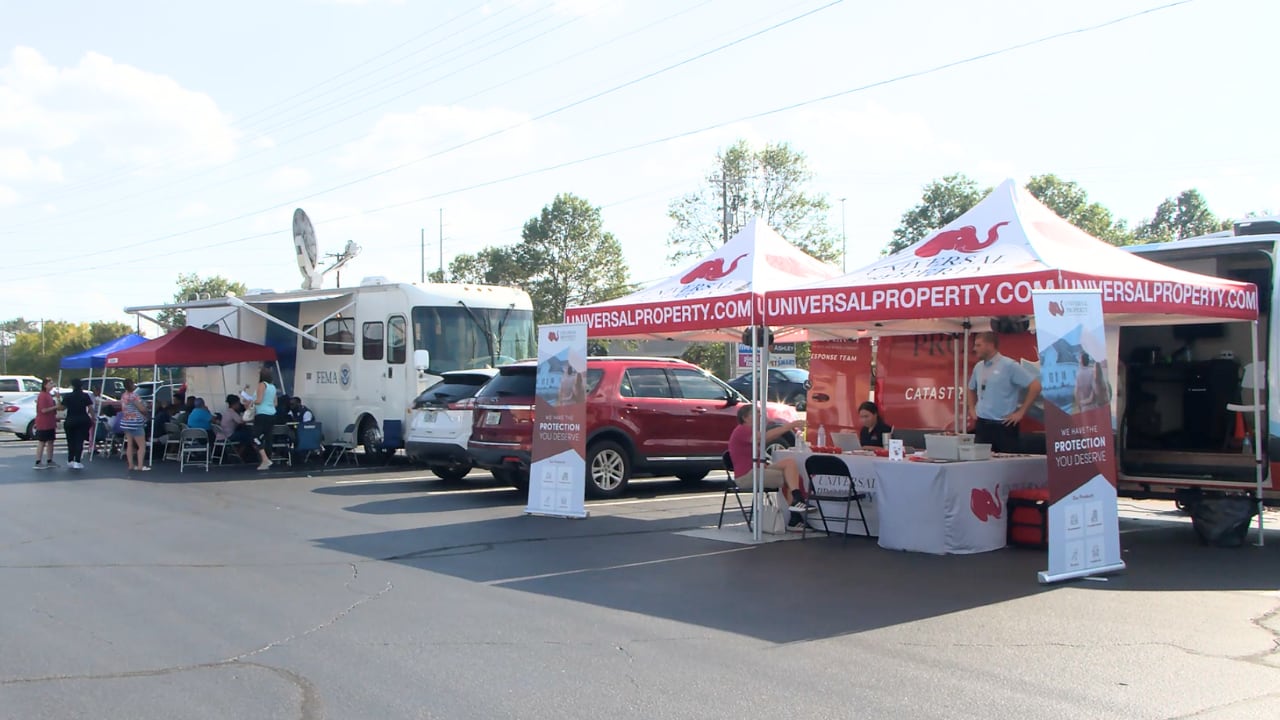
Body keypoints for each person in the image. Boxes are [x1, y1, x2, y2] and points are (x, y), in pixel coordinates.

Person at [967, 332, 1042, 453]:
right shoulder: (978, 367)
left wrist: (1021, 412)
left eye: (978, 345)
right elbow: (970, 388)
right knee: (981, 464)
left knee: (1006, 465)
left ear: (990, 345)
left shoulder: (1009, 366)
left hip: (1004, 426)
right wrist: (971, 408)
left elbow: (1035, 386)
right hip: (982, 425)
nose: (974, 349)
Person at [727, 404, 807, 516]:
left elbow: (767, 438)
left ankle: (797, 500)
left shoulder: (750, 430)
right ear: (745, 417)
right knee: (790, 478)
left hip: (757, 469)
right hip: (747, 475)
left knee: (790, 466)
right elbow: (764, 437)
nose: (760, 415)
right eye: (757, 412)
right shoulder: (742, 430)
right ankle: (796, 513)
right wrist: (789, 426)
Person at [60, 379, 95, 469]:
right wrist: (93, 417)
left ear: (72, 386)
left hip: (70, 419)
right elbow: (90, 408)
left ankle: (70, 459)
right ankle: (77, 461)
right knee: (79, 441)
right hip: (82, 419)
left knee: (70, 441)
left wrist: (57, 398)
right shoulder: (85, 396)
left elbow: (62, 408)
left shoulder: (68, 396)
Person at [118, 378, 151, 471]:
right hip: (135, 422)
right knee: (142, 445)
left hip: (126, 421)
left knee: (130, 444)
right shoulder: (134, 396)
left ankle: (131, 465)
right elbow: (142, 409)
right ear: (131, 385)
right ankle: (140, 466)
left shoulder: (124, 396)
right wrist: (146, 411)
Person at [251, 367, 278, 471]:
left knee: (254, 437)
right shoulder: (273, 387)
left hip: (261, 414)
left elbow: (259, 400)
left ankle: (265, 459)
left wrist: (251, 401)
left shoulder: (262, 385)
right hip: (271, 414)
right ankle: (267, 459)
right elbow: (275, 403)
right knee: (268, 437)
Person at [218, 394, 256, 461]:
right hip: (229, 435)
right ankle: (239, 454)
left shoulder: (226, 412)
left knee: (244, 435)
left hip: (222, 435)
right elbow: (242, 421)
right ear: (235, 404)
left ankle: (238, 453)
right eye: (238, 403)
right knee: (248, 436)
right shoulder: (232, 413)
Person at [33, 377, 59, 469]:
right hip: (43, 422)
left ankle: (49, 460)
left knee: (51, 441)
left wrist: (57, 400)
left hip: (50, 422)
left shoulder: (49, 395)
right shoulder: (42, 395)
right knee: (42, 442)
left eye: (52, 383)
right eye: (50, 383)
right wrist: (55, 407)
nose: (52, 385)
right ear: (45, 385)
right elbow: (43, 410)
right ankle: (38, 461)